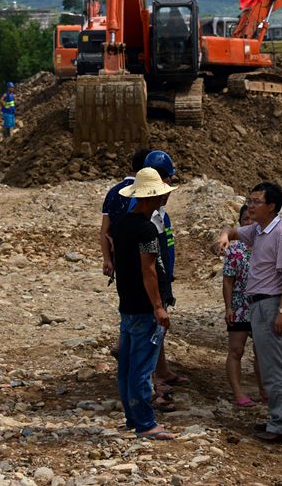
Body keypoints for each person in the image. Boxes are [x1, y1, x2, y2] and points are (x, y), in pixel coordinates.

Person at [215, 182, 282, 444]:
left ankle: (281, 426)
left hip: (271, 303)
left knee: (274, 366)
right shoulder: (258, 230)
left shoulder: (280, 233)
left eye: (255, 202)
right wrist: (225, 236)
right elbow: (233, 230)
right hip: (257, 303)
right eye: (249, 201)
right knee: (267, 362)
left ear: (271, 206)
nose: (250, 206)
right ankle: (276, 420)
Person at [111, 167, 177, 440]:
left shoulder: (122, 224)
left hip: (127, 303)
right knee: (141, 367)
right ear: (151, 198)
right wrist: (158, 306)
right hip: (143, 306)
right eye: (160, 195)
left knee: (127, 367)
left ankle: (132, 417)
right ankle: (146, 424)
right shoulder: (146, 229)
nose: (164, 199)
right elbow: (149, 269)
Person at [223, 204, 266, 407]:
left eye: (252, 220)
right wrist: (229, 307)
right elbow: (228, 281)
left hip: (261, 304)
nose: (248, 223)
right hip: (240, 305)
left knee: (261, 351)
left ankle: (264, 391)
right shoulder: (234, 249)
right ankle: (238, 393)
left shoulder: (266, 244)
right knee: (236, 350)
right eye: (244, 221)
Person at [100, 148, 151, 278]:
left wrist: (107, 260)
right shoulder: (147, 191)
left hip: (119, 260)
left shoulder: (112, 192)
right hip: (140, 259)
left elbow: (104, 231)